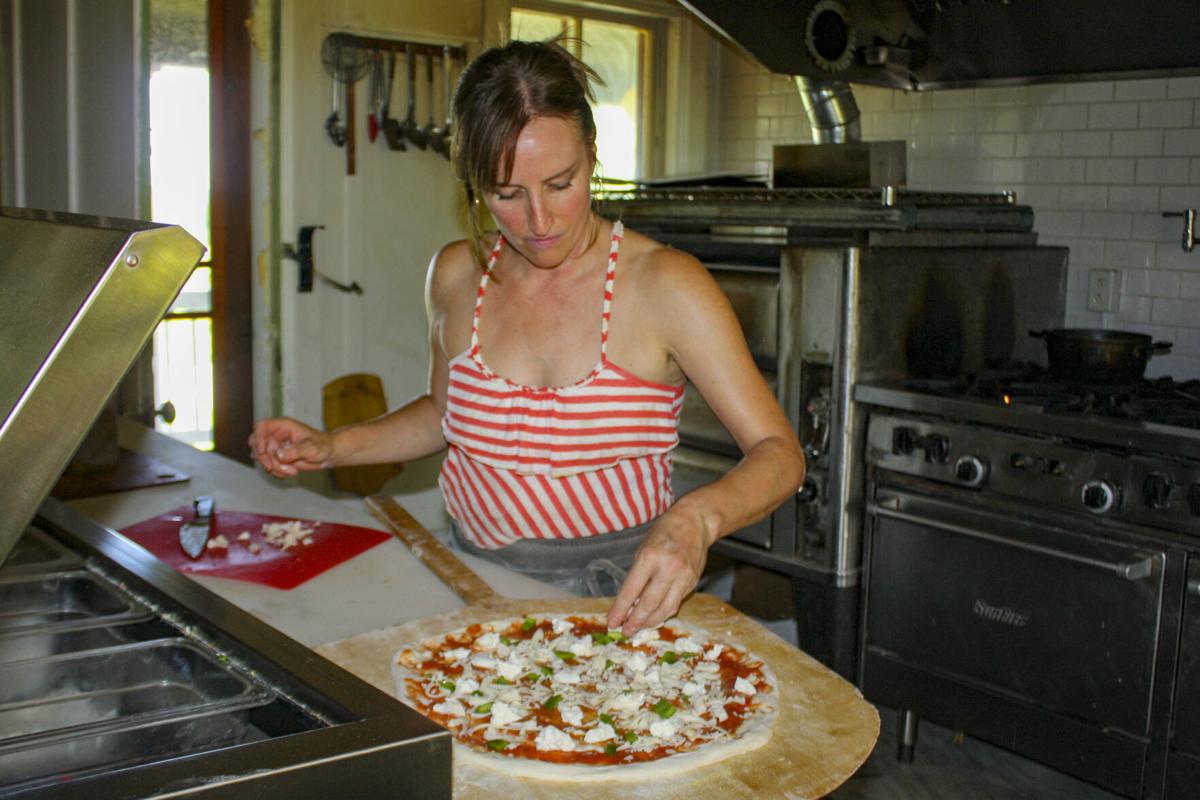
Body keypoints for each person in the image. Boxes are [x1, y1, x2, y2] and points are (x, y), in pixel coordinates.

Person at [249, 39, 804, 635]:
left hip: (617, 601)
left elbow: (780, 455)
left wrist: (698, 518)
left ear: (591, 155)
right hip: (472, 583)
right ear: (473, 183)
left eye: (560, 185)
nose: (539, 224)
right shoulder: (457, 275)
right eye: (506, 195)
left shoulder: (664, 284)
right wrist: (333, 447)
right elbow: (445, 412)